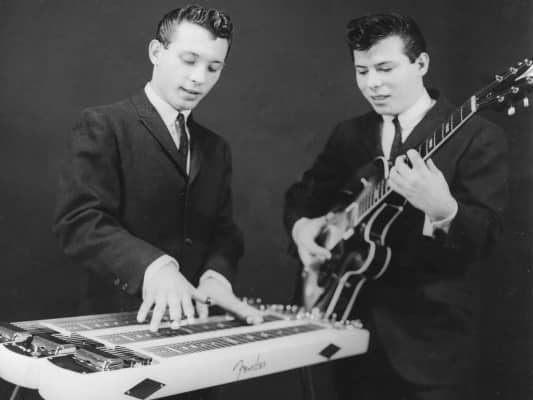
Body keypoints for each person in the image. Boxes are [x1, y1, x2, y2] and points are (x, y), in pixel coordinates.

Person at [283, 13, 507, 400]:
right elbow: (303, 196)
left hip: (431, 351)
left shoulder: (477, 137)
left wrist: (444, 211)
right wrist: (302, 227)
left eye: (385, 68)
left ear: (421, 64)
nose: (372, 83)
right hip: (348, 336)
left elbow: (487, 239)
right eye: (362, 71)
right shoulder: (350, 134)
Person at [54, 4, 261, 338]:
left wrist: (216, 277)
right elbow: (80, 221)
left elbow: (224, 233)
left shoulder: (216, 148)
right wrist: (155, 267)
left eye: (214, 67)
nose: (199, 78)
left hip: (195, 326)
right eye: (189, 60)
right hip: (116, 328)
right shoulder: (104, 124)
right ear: (156, 52)